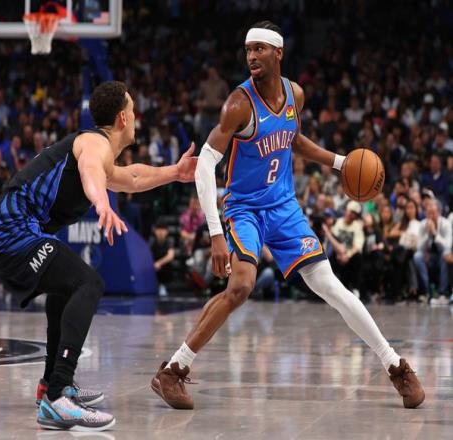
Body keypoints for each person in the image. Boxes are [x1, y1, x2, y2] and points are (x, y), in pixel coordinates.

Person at [151, 21, 424, 411]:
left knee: (331, 286)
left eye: (260, 49)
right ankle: (174, 370)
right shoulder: (238, 104)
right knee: (241, 287)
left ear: (278, 53)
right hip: (245, 209)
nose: (252, 56)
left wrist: (340, 162)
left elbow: (293, 139)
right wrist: (215, 233)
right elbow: (205, 165)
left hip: (284, 207)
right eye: (248, 50)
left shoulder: (295, 94)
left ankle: (396, 366)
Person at [0, 81, 197, 431]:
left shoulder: (99, 150)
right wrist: (102, 203)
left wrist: (175, 173)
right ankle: (58, 397)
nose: (136, 117)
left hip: (3, 230)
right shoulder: (94, 143)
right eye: (133, 110)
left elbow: (131, 177)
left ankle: (51, 385)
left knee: (65, 289)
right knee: (88, 283)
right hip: (6, 229)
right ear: (123, 118)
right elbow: (90, 171)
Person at [149, 219, 175, 297]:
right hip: (153, 266)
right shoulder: (152, 241)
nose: (160, 232)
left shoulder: (170, 240)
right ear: (155, 231)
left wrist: (159, 263)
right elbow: (147, 255)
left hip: (165, 267)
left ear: (167, 231)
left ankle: (163, 286)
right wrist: (153, 264)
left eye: (163, 230)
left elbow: (170, 256)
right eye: (158, 229)